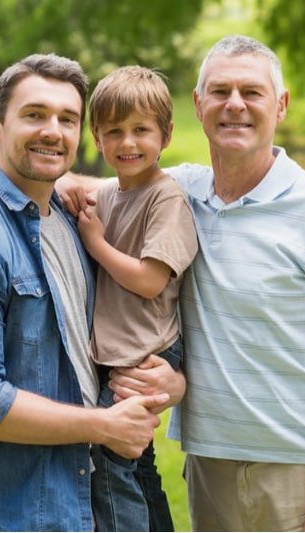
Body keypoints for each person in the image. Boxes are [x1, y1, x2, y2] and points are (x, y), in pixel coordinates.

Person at [0, 34, 305, 531]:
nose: (235, 105)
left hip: (301, 469)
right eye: (220, 91)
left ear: (282, 105)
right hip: (210, 465)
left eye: (252, 92)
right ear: (198, 106)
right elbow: (79, 184)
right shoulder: (182, 190)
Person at [0, 53, 173, 531]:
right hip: (31, 510)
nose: (53, 131)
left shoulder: (81, 220)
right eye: (34, 115)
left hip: (113, 490)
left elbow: (166, 192)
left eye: (68, 119)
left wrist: (171, 381)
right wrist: (104, 425)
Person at [82, 66, 198, 532]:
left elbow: (151, 280)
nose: (127, 143)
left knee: (107, 454)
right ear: (97, 137)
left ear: (166, 135)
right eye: (114, 131)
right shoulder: (108, 193)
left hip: (147, 351)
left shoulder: (166, 199)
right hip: (121, 348)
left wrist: (97, 244)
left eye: (140, 130)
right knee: (137, 461)